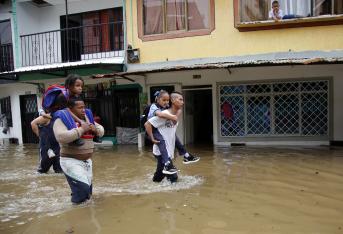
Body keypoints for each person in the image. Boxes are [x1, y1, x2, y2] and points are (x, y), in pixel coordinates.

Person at [53, 96, 104, 204]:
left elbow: (101, 130)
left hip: (87, 161)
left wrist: (96, 130)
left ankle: (83, 214)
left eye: (84, 107)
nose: (83, 110)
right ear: (70, 109)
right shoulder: (61, 119)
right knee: (82, 190)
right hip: (70, 161)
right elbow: (61, 137)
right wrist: (81, 129)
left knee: (88, 194)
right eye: (80, 108)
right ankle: (75, 215)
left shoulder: (87, 118)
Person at [145, 92, 196, 183]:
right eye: (180, 100)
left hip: (168, 150)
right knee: (173, 177)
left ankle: (153, 186)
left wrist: (176, 114)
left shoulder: (173, 115)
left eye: (183, 100)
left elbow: (172, 134)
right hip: (161, 151)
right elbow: (147, 124)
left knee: (160, 175)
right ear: (173, 101)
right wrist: (152, 138)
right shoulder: (163, 113)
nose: (183, 102)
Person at [31, 92, 67, 174]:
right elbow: (33, 123)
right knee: (42, 171)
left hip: (59, 147)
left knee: (59, 171)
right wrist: (39, 135)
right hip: (46, 148)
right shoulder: (47, 117)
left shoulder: (63, 116)